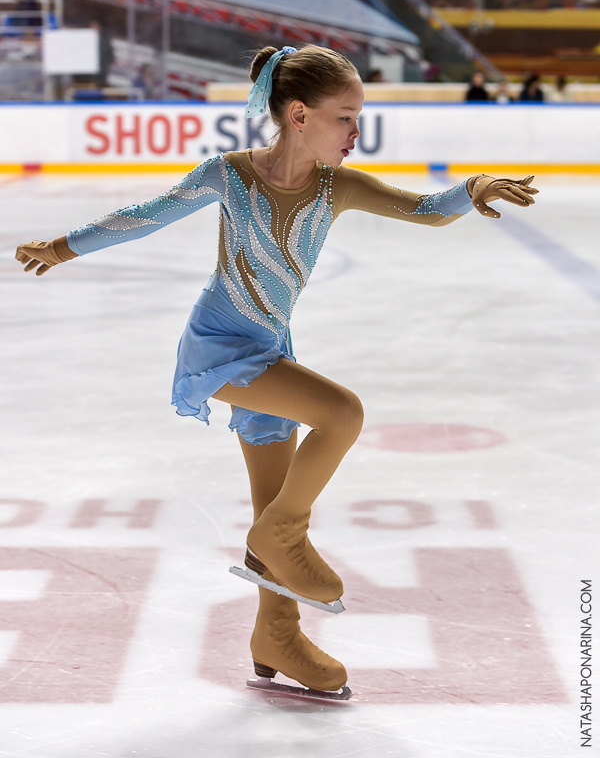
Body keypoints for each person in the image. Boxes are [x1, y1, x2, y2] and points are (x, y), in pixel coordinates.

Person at [15, 44, 538, 699]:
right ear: (298, 115)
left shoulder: (335, 187)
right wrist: (62, 248)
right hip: (217, 348)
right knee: (340, 414)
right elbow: (144, 216)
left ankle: (277, 637)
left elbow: (425, 209)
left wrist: (472, 188)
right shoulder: (229, 174)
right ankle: (280, 536)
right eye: (346, 117)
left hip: (271, 349)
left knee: (276, 493)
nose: (356, 133)